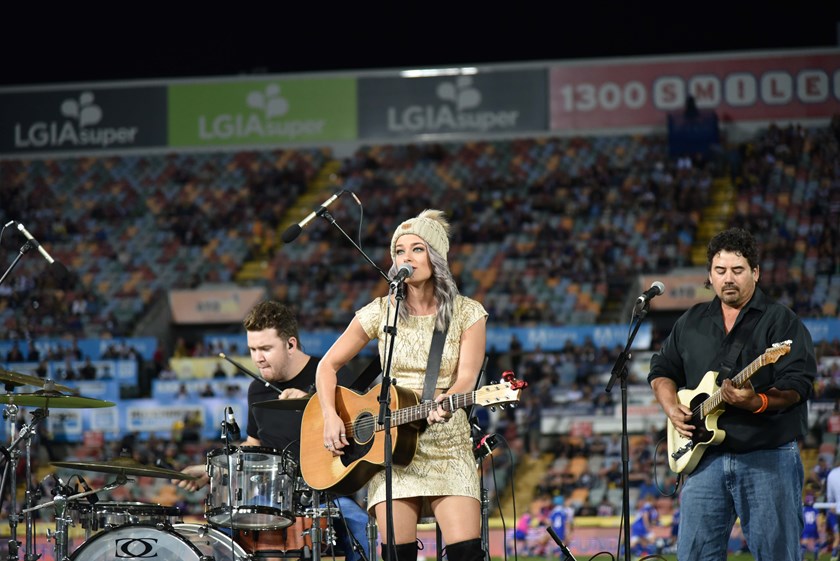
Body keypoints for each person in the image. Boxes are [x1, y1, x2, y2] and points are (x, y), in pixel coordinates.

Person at [315, 209, 488, 561]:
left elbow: (467, 378)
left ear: (436, 256)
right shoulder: (381, 311)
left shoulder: (468, 313)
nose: (406, 258)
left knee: (467, 553)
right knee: (397, 555)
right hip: (391, 447)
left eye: (417, 249)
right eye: (399, 251)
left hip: (447, 442)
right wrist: (331, 416)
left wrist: (447, 400)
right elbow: (327, 366)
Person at [648, 227, 816, 560]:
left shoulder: (782, 321)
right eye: (720, 270)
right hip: (704, 459)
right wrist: (671, 406)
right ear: (709, 275)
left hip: (767, 456)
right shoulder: (692, 321)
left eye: (738, 270)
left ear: (755, 272)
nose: (728, 278)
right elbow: (662, 370)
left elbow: (799, 385)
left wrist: (758, 401)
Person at [179, 300, 371, 561]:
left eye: (266, 348)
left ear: (291, 344)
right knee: (220, 530)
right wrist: (212, 470)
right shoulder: (256, 390)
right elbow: (254, 444)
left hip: (328, 494)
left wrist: (313, 403)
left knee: (359, 526)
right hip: (272, 497)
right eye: (253, 349)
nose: (258, 357)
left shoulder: (331, 374)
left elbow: (359, 435)